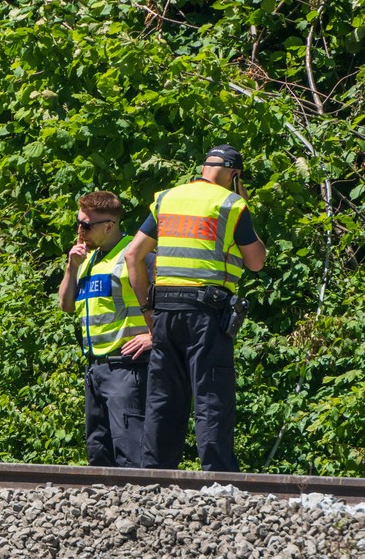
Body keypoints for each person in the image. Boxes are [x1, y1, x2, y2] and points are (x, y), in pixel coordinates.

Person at [126, 144, 267, 472]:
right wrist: (243, 201)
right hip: (206, 314)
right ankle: (217, 480)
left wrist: (149, 313)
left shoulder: (167, 198)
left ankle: (153, 477)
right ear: (234, 175)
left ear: (204, 167)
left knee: (163, 399)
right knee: (211, 396)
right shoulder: (231, 203)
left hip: (164, 313)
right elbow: (257, 262)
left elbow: (133, 255)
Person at [58, 191, 154, 468]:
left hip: (127, 367)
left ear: (109, 225)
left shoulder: (135, 256)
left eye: (86, 225)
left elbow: (165, 304)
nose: (80, 231)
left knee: (130, 450)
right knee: (99, 452)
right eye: (78, 223)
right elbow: (66, 305)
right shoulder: (88, 260)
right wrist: (71, 268)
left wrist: (154, 336)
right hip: (95, 368)